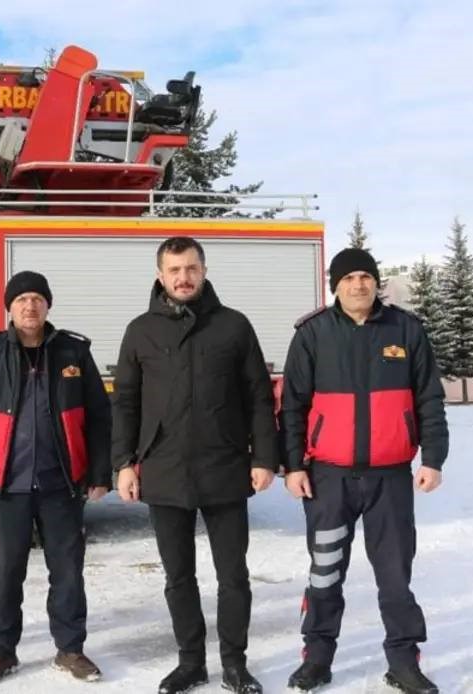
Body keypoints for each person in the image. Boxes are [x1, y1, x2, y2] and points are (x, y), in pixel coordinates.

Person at [112, 236, 280, 694]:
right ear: (160, 275)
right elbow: (125, 403)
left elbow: (259, 398)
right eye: (174, 270)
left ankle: (234, 663)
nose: (183, 277)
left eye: (190, 268)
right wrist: (124, 463)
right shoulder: (140, 330)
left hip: (224, 466)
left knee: (234, 576)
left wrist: (264, 457)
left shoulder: (233, 327)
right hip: (164, 469)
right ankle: (191, 662)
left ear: (204, 271)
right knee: (178, 576)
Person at [280, 248, 448, 694]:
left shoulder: (406, 329)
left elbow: (429, 398)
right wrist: (293, 465)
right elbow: (292, 406)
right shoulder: (312, 333)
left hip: (389, 477)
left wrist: (432, 458)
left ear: (377, 282)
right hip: (328, 478)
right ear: (335, 284)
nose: (359, 284)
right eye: (349, 277)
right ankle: (316, 658)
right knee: (325, 572)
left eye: (366, 276)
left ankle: (403, 661)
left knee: (395, 575)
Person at [0, 271, 113, 684]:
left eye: (37, 298)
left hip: (62, 486)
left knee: (68, 572)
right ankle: (1, 652)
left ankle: (70, 649)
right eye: (21, 300)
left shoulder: (73, 352)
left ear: (48, 305)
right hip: (5, 488)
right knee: (4, 575)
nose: (30, 306)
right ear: (9, 308)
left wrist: (98, 472)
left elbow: (99, 417)